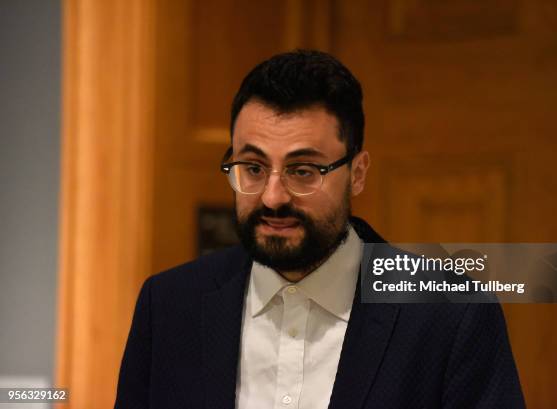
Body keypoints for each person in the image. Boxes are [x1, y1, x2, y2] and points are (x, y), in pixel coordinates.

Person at [114, 50, 525, 409]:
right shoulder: (168, 307)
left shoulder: (450, 318)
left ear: (357, 174)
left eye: (304, 171)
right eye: (253, 168)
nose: (273, 197)